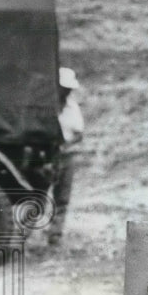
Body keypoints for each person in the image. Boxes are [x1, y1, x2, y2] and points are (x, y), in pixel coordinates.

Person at [48, 67, 84, 245]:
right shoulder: (46, 106)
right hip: (47, 155)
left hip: (67, 155)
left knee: (62, 197)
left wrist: (66, 145)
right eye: (64, 87)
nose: (67, 91)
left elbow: (79, 133)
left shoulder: (72, 107)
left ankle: (55, 235)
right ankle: (25, 234)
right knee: (38, 195)